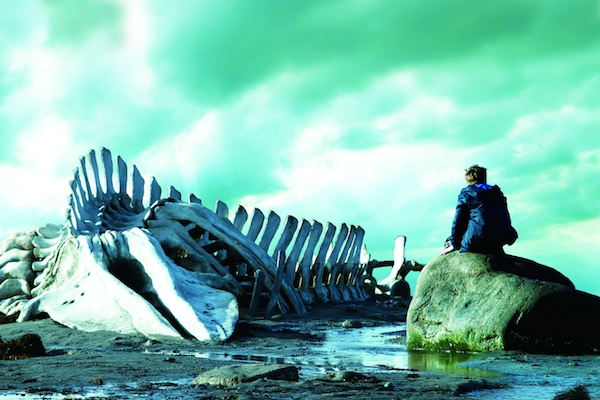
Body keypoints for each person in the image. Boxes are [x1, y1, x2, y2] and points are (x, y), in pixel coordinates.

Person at [440, 165, 517, 256]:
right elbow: (505, 216)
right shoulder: (497, 193)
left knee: (449, 240)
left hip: (478, 239)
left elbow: (458, 221)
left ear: (468, 179)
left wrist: (454, 243)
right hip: (501, 237)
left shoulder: (466, 193)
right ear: (484, 177)